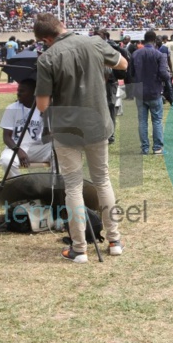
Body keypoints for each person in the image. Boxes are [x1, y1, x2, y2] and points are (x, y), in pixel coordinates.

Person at [34, 13, 127, 263]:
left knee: (73, 185)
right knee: (102, 180)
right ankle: (114, 240)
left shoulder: (47, 58)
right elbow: (123, 64)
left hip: (67, 129)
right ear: (61, 26)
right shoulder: (94, 42)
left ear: (46, 38)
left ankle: (79, 248)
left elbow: (42, 105)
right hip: (97, 124)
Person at [0, 79, 52, 177]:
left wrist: (46, 117)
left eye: (22, 91)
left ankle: (53, 185)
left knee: (59, 152)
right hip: (15, 148)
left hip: (37, 148)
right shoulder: (12, 108)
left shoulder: (43, 109)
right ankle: (19, 186)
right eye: (18, 90)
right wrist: (18, 150)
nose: (18, 93)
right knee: (6, 160)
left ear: (33, 93)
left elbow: (47, 138)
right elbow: (6, 137)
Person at [131, 30, 172, 155]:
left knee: (142, 121)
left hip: (140, 91)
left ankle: (144, 148)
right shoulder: (159, 55)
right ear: (154, 41)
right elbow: (163, 74)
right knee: (157, 120)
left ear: (144, 40)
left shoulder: (135, 54)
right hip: (154, 91)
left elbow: (130, 74)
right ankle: (157, 148)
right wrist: (168, 78)